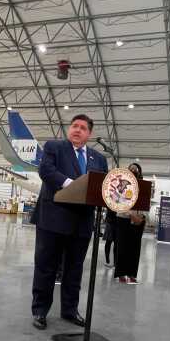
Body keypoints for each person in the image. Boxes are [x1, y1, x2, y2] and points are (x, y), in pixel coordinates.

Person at [30, 114, 108, 329]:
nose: (77, 130)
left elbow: (103, 185)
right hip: (53, 218)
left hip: (82, 222)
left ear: (89, 134)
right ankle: (40, 311)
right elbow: (46, 171)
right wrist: (71, 184)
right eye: (74, 126)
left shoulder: (99, 159)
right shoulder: (54, 147)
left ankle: (70, 310)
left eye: (83, 128)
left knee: (74, 269)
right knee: (46, 266)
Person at [114, 162, 146, 283]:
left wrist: (141, 217)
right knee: (122, 247)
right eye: (131, 169)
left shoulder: (143, 185)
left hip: (139, 221)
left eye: (136, 169)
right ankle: (121, 274)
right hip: (123, 219)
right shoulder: (121, 184)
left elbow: (146, 202)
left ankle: (132, 274)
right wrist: (131, 215)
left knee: (135, 248)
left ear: (139, 172)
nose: (134, 171)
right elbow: (117, 201)